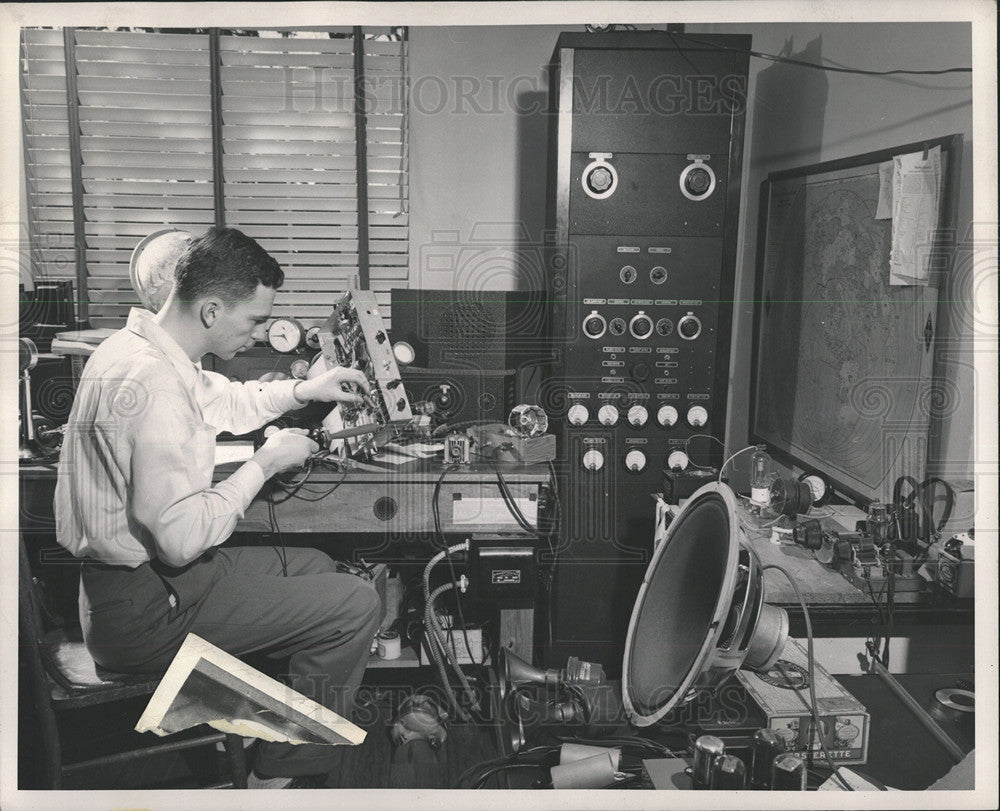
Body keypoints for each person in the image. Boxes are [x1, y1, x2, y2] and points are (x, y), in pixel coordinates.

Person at [54, 226, 383, 789]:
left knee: (314, 565)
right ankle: (278, 776)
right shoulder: (151, 383)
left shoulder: (141, 350)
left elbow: (222, 398)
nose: (259, 335)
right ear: (210, 310)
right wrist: (266, 464)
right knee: (354, 603)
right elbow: (181, 540)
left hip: (142, 586)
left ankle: (264, 717)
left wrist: (307, 391)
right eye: (254, 320)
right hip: (139, 611)